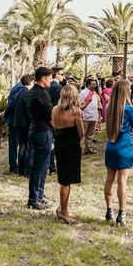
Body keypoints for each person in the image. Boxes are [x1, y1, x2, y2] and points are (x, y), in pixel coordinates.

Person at [104, 80, 133, 226]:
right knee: (122, 181)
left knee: (110, 178)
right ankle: (121, 213)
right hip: (124, 146)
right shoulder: (129, 109)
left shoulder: (109, 107)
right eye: (129, 89)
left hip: (110, 145)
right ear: (125, 91)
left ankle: (109, 209)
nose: (131, 91)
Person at [51, 84, 84, 224]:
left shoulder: (54, 109)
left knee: (63, 178)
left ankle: (63, 207)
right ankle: (64, 211)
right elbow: (81, 132)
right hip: (71, 147)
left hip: (59, 144)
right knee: (66, 182)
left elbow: (54, 125)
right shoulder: (76, 112)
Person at [26, 67, 55, 210]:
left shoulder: (31, 92)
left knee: (42, 166)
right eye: (49, 78)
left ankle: (40, 195)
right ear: (43, 79)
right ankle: (34, 199)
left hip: (34, 130)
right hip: (43, 132)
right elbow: (50, 116)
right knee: (40, 167)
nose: (51, 81)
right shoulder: (43, 94)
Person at [4, 74, 34, 175]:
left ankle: (16, 166)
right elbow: (11, 103)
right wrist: (5, 114)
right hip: (16, 120)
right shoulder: (21, 89)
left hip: (15, 119)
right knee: (18, 145)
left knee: (18, 145)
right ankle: (14, 166)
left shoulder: (18, 87)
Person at [80, 78, 100, 155]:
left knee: (90, 134)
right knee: (83, 133)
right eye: (93, 84)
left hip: (93, 115)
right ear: (88, 85)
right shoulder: (83, 92)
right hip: (85, 116)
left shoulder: (94, 92)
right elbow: (81, 104)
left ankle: (89, 148)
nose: (95, 85)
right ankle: (82, 149)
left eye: (95, 84)